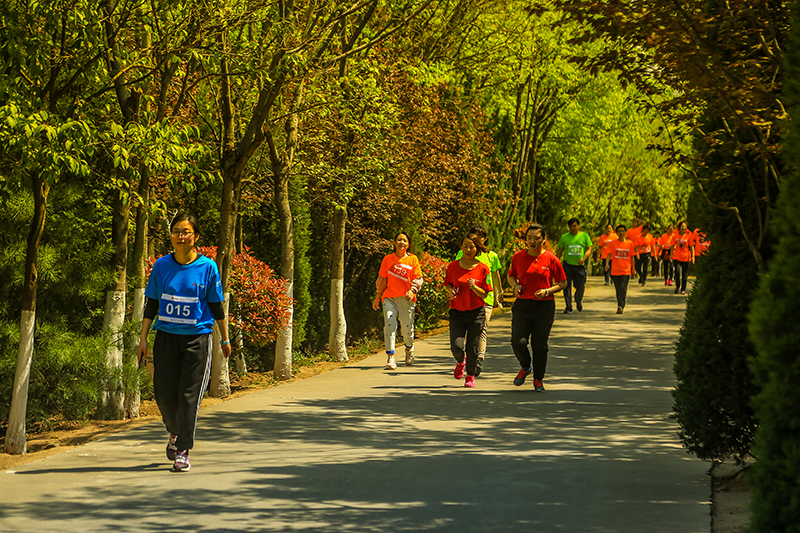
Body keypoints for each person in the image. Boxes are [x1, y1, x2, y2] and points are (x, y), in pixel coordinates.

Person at [137, 212, 232, 472]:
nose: (180, 236)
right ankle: (174, 432)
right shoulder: (161, 266)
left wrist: (225, 338)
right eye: (176, 231)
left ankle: (183, 450)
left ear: (196, 237)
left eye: (185, 232)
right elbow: (152, 305)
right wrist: (143, 339)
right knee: (165, 397)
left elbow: (216, 306)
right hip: (166, 338)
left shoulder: (208, 268)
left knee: (189, 397)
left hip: (197, 340)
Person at [508, 224, 568, 392]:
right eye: (529, 238)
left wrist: (548, 290)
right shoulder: (518, 257)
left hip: (544, 306)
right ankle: (526, 366)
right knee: (517, 342)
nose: (532, 241)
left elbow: (562, 283)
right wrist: (515, 286)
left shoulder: (551, 259)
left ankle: (538, 379)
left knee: (539, 345)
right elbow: (511, 275)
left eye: (536, 238)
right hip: (523, 305)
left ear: (544, 240)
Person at [444, 233, 493, 388]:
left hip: (476, 313)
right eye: (465, 246)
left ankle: (470, 375)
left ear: (477, 248)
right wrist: (450, 291)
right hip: (457, 312)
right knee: (456, 346)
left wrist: (474, 287)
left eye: (472, 247)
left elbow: (485, 293)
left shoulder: (483, 269)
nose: (468, 249)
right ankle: (460, 361)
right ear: (461, 247)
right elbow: (447, 284)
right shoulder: (453, 266)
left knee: (472, 347)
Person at [454, 224, 503, 376]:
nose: (477, 239)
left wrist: (499, 292)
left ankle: (479, 358)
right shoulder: (463, 253)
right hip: (464, 299)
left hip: (485, 298)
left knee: (482, 328)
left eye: (481, 236)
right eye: (474, 235)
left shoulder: (491, 256)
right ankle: (469, 357)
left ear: (485, 238)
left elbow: (495, 275)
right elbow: (456, 272)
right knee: (469, 332)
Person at [373, 232, 424, 370]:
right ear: (394, 242)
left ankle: (409, 349)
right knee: (389, 325)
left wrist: (412, 290)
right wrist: (377, 297)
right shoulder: (387, 259)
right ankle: (390, 357)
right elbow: (382, 279)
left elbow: (418, 278)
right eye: (399, 240)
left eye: (405, 240)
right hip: (390, 298)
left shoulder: (413, 259)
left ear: (408, 244)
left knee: (407, 330)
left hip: (406, 299)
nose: (402, 242)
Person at [556, 217, 592, 313]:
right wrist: (556, 263)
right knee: (566, 286)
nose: (573, 228)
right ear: (569, 227)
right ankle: (568, 307)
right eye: (571, 226)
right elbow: (560, 251)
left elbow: (589, 249)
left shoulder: (584, 236)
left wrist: (584, 258)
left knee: (580, 286)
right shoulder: (564, 237)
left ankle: (578, 300)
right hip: (567, 265)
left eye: (575, 226)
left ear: (578, 226)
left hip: (579, 266)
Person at [605, 224, 639, 314]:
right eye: (619, 231)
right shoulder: (613, 243)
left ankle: (621, 305)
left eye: (622, 231)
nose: (620, 233)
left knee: (623, 288)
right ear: (616, 232)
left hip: (626, 271)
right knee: (618, 289)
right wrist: (606, 264)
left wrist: (633, 268)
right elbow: (608, 254)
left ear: (625, 232)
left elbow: (632, 257)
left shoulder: (630, 243)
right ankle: (620, 303)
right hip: (615, 271)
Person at [672, 221, 695, 295]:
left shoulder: (689, 236)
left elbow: (691, 247)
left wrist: (693, 256)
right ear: (679, 227)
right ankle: (677, 286)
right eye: (682, 226)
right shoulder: (675, 235)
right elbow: (672, 246)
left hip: (686, 258)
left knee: (685, 275)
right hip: (677, 257)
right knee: (677, 272)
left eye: (685, 227)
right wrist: (671, 256)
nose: (683, 228)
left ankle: (683, 289)